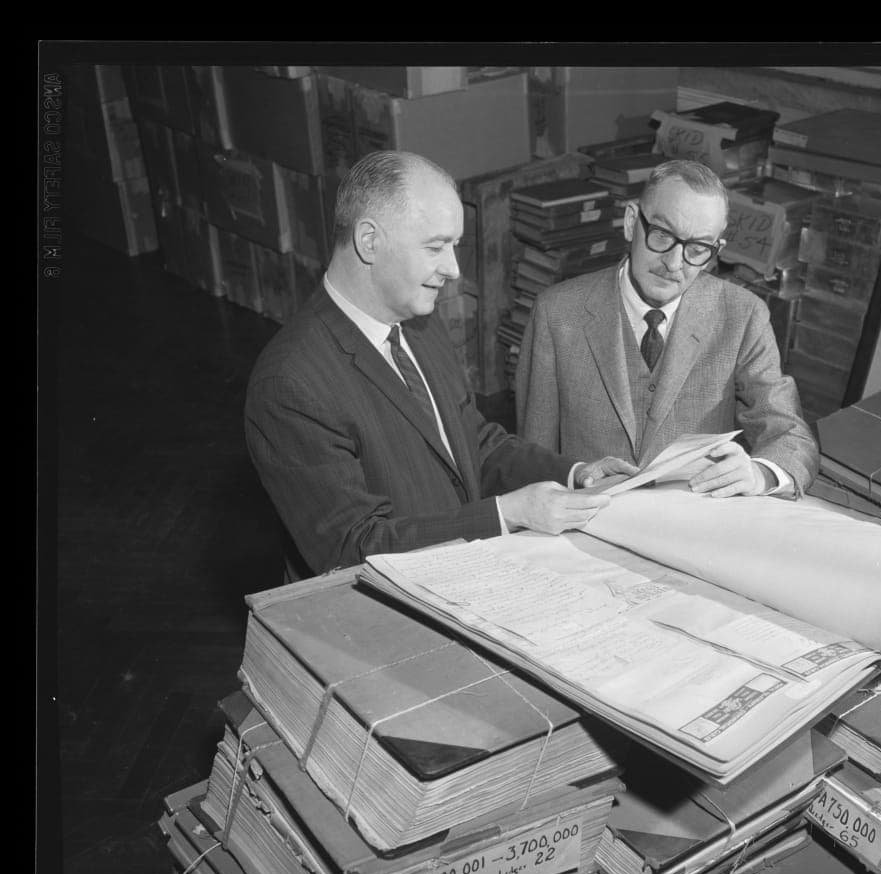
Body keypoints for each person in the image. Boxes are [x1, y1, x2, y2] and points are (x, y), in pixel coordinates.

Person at [245, 151, 636, 582]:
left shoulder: (420, 324)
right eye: (435, 247)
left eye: (454, 246)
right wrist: (507, 513)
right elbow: (352, 548)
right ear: (369, 241)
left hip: (462, 574)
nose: (452, 270)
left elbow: (473, 443)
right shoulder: (290, 383)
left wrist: (575, 474)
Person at [515, 159, 820, 499]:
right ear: (632, 222)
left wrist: (759, 473)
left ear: (716, 251)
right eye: (662, 235)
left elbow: (793, 437)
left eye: (698, 248)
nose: (674, 264)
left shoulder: (743, 316)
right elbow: (531, 461)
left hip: (693, 522)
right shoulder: (557, 314)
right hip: (587, 520)